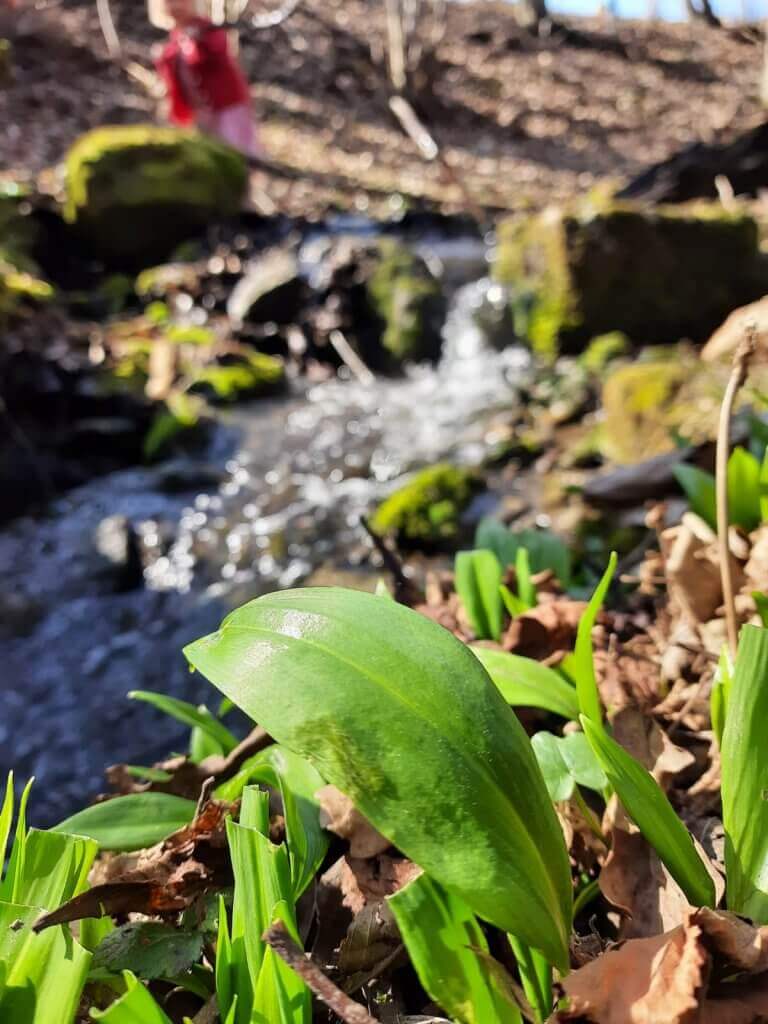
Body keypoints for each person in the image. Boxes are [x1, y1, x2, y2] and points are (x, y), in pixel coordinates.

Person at [154, 0, 262, 159]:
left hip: (226, 109)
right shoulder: (174, 41)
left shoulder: (208, 29)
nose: (176, 6)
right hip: (200, 115)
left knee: (235, 156)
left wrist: (196, 42)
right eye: (169, 2)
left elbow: (214, 54)